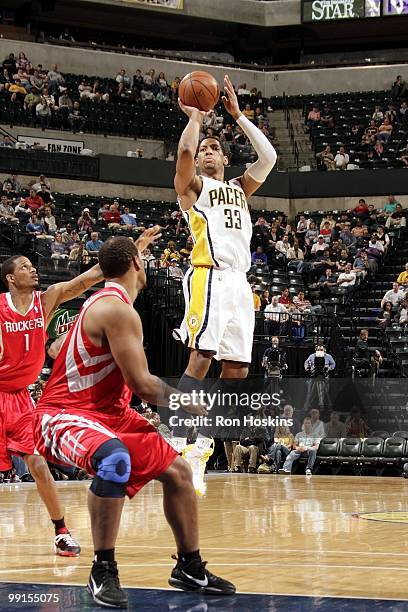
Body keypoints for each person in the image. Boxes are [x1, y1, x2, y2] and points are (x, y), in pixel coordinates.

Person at [33, 234, 235, 607]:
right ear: (137, 265)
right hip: (65, 413)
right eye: (143, 257)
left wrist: (129, 248)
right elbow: (142, 385)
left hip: (109, 412)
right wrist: (184, 398)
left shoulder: (105, 300)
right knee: (115, 460)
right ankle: (102, 568)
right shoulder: (116, 309)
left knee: (178, 472)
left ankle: (189, 566)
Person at [172, 75, 276, 458]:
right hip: (209, 274)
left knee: (236, 369)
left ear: (226, 158)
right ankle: (179, 437)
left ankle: (203, 425)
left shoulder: (237, 188)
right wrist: (196, 120)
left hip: (239, 282)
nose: (208, 152)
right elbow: (182, 157)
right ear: (199, 159)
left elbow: (269, 158)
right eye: (205, 150)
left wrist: (238, 116)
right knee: (201, 356)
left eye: (216, 148)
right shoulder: (194, 188)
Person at [0, 254, 107, 556]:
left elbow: (85, 280)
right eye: (24, 267)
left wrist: (124, 254)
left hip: (20, 398)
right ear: (10, 278)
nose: (33, 269)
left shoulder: (45, 301)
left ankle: (61, 532)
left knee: (38, 464)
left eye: (33, 265)